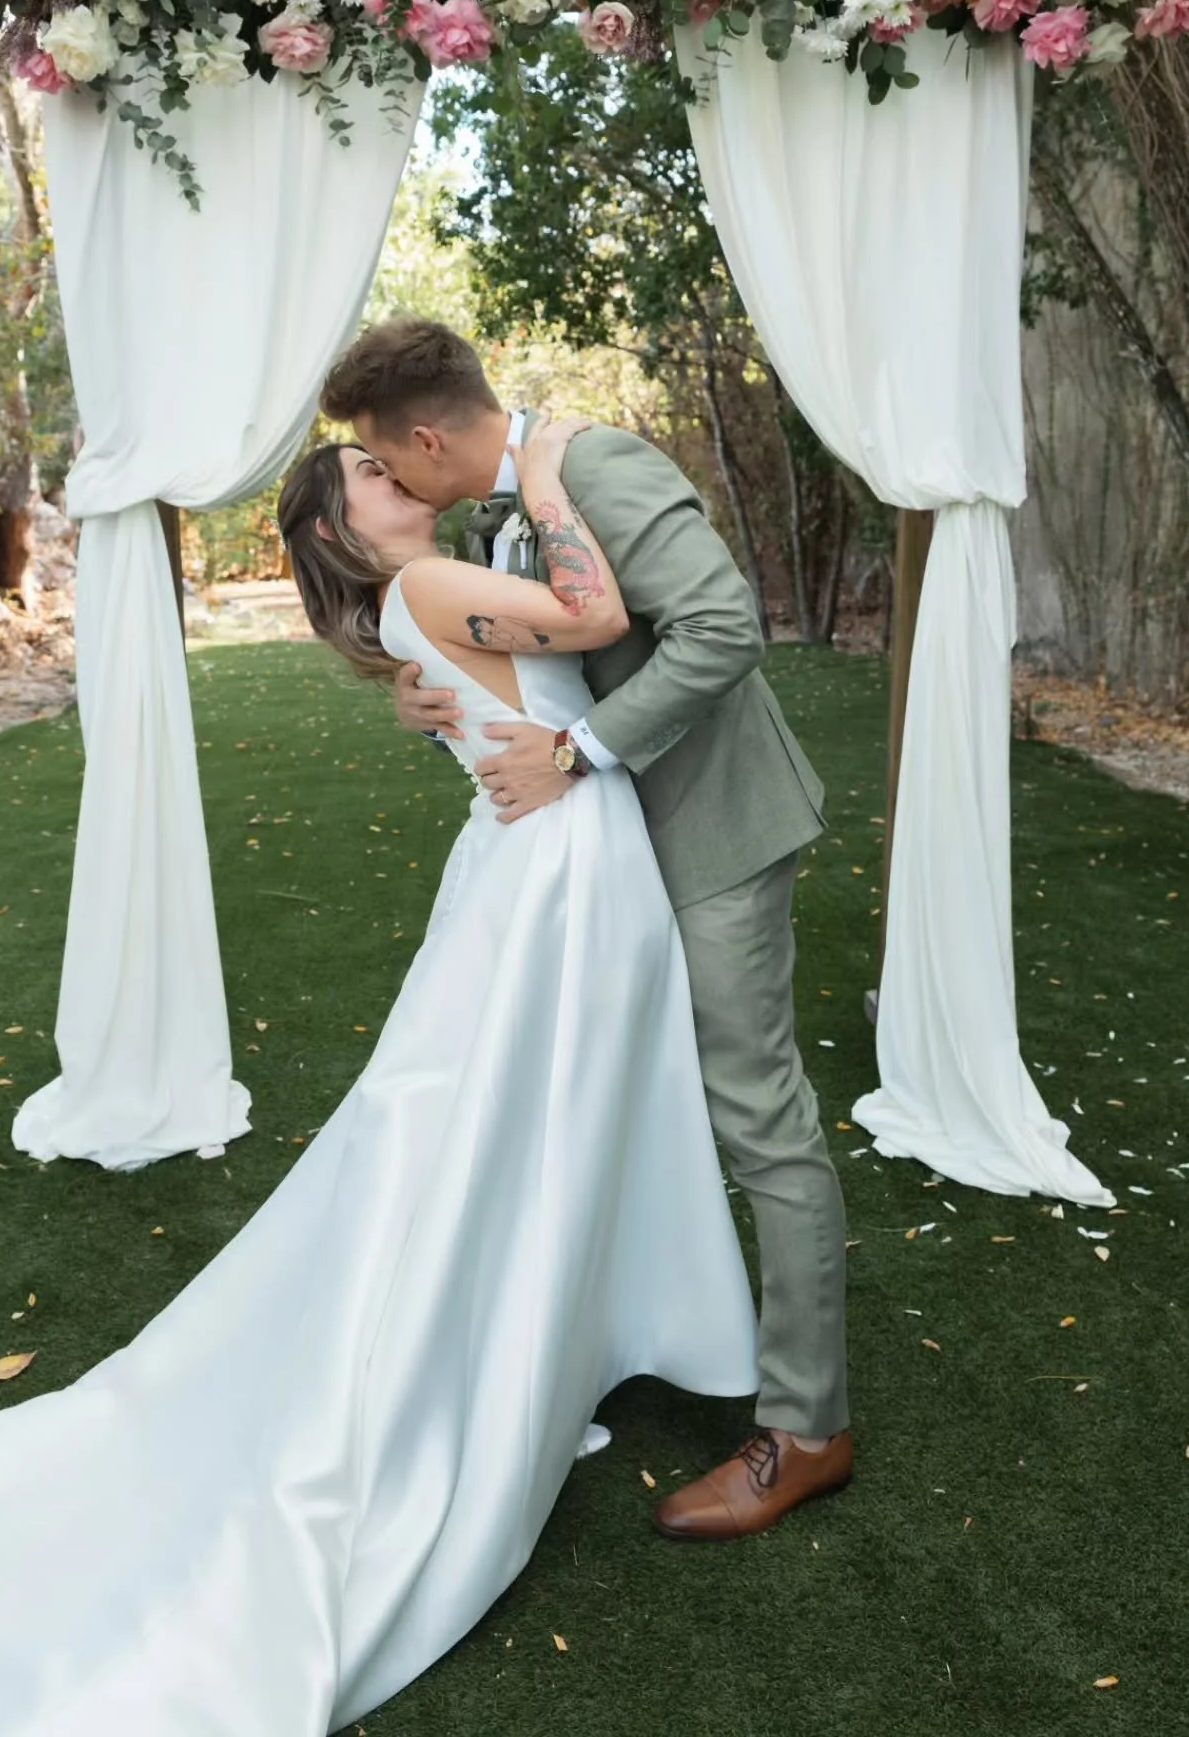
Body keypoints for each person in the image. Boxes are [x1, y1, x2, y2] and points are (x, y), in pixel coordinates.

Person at [0, 418, 760, 1737]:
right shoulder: (427, 584)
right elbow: (589, 621)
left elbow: (500, 682)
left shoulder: (430, 589)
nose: (396, 473)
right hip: (554, 880)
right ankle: (476, 1367)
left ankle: (531, 1339)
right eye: (368, 475)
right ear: (334, 534)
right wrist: (542, 481)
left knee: (512, 1123)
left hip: (549, 868)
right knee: (501, 1123)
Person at [320, 318, 852, 1542]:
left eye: (387, 463)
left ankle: (809, 1429)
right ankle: (611, 1331)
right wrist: (430, 687)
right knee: (599, 1095)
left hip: (709, 828)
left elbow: (724, 629)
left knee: (758, 1114)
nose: (390, 484)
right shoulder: (493, 517)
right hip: (609, 854)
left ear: (426, 438)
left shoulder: (596, 466)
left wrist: (574, 749)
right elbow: (521, 640)